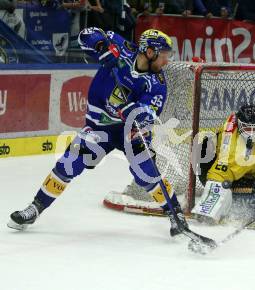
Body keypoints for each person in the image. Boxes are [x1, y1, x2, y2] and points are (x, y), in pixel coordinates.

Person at [7, 27, 190, 238]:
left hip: (130, 131)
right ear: (150, 52)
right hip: (98, 126)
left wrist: (128, 109)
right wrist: (101, 47)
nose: (166, 61)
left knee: (146, 172)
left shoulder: (157, 84)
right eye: (164, 55)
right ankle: (34, 208)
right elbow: (86, 34)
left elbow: (148, 114)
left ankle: (176, 214)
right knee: (69, 162)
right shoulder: (121, 48)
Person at [191, 104, 255, 224]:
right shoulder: (231, 149)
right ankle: (227, 194)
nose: (251, 132)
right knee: (226, 182)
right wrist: (208, 209)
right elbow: (217, 174)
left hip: (242, 165)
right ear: (239, 125)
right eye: (247, 128)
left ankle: (245, 181)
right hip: (210, 165)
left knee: (251, 170)